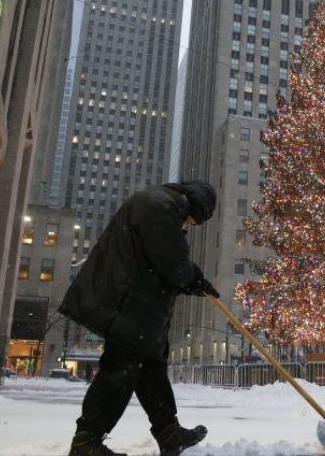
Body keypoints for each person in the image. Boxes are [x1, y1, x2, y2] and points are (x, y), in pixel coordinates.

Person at [59, 181, 219, 456]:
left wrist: (191, 279)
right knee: (120, 371)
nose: (189, 225)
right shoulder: (160, 206)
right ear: (194, 205)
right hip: (130, 305)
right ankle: (87, 440)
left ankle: (169, 432)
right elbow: (172, 262)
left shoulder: (158, 203)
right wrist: (193, 278)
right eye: (193, 220)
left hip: (138, 305)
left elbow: (161, 259)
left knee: (150, 370)